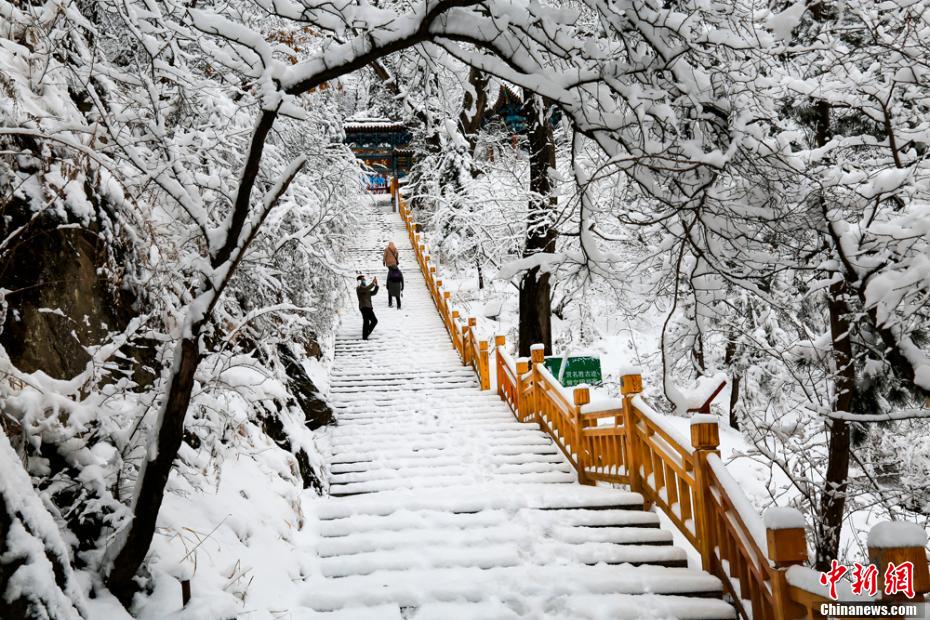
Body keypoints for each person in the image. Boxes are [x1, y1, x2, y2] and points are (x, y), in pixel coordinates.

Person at [356, 275, 379, 339]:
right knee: (367, 321)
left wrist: (376, 285)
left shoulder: (365, 288)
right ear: (359, 281)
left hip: (368, 306)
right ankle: (365, 335)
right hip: (363, 306)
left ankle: (365, 335)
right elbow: (367, 288)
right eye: (362, 279)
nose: (364, 280)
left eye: (364, 279)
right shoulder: (359, 288)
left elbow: (373, 293)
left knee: (373, 321)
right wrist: (373, 283)